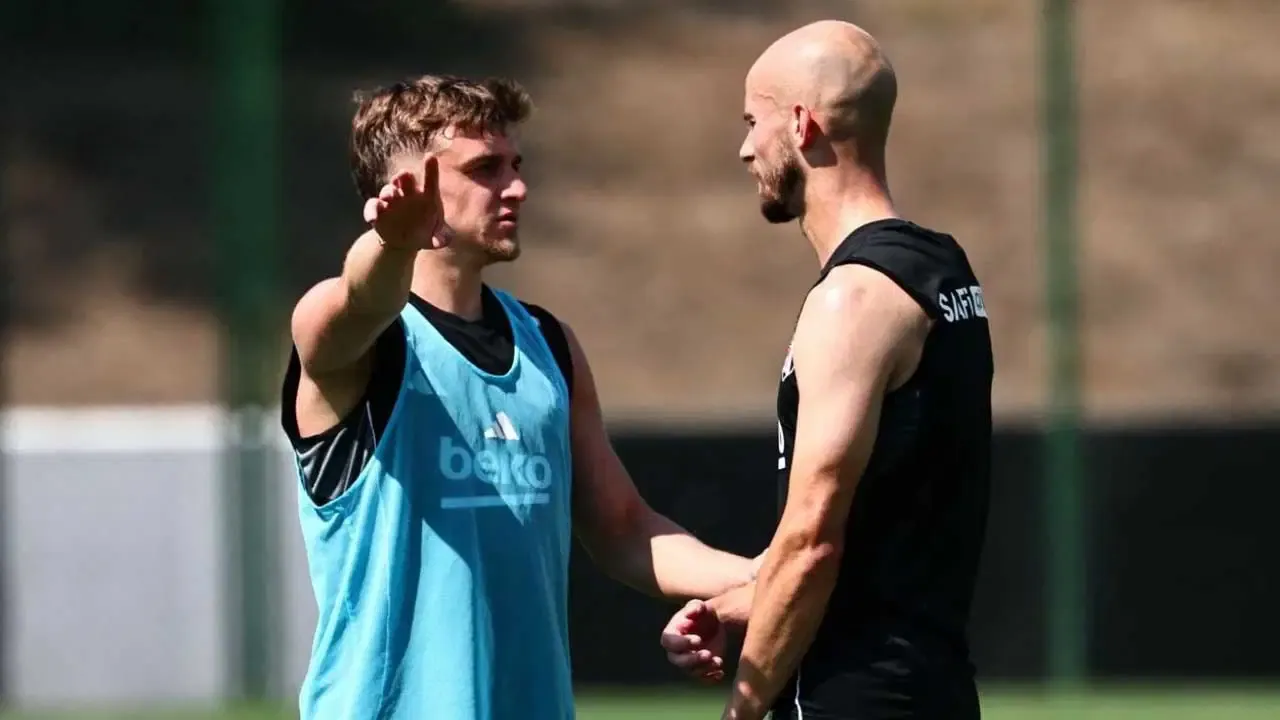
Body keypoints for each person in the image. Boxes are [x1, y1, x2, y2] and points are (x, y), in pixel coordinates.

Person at [280, 74, 756, 720]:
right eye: (486, 169)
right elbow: (362, 299)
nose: (518, 187)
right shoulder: (355, 337)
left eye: (516, 165)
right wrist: (392, 243)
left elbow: (625, 530)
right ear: (408, 188)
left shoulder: (549, 345)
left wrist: (764, 580)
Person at [660, 20, 994, 720]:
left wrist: (744, 707)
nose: (745, 148)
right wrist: (739, 604)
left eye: (753, 122)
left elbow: (813, 541)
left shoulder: (853, 300)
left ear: (801, 125)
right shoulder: (942, 270)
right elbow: (883, 535)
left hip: (853, 698)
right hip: (933, 688)